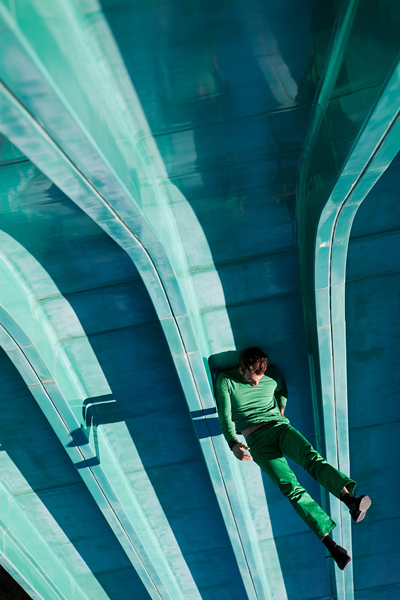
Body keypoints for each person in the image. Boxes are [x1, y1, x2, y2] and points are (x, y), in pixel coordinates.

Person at [215, 347, 371, 570]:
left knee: (312, 460)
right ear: (241, 369)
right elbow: (224, 416)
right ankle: (332, 546)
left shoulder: (273, 374)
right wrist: (233, 443)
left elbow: (281, 389)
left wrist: (281, 407)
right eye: (251, 380)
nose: (256, 384)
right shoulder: (225, 380)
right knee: (291, 488)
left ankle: (351, 501)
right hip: (257, 441)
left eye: (259, 379)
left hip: (280, 428)